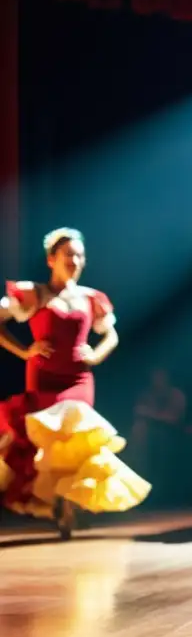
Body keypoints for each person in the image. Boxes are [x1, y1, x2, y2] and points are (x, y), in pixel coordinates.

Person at [0, 227, 150, 538]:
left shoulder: (91, 298)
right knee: (47, 445)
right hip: (43, 378)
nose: (75, 260)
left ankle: (68, 503)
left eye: (80, 255)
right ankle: (55, 502)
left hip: (79, 378)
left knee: (77, 439)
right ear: (51, 259)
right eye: (69, 254)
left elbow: (111, 334)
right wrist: (24, 351)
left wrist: (95, 354)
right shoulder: (35, 293)